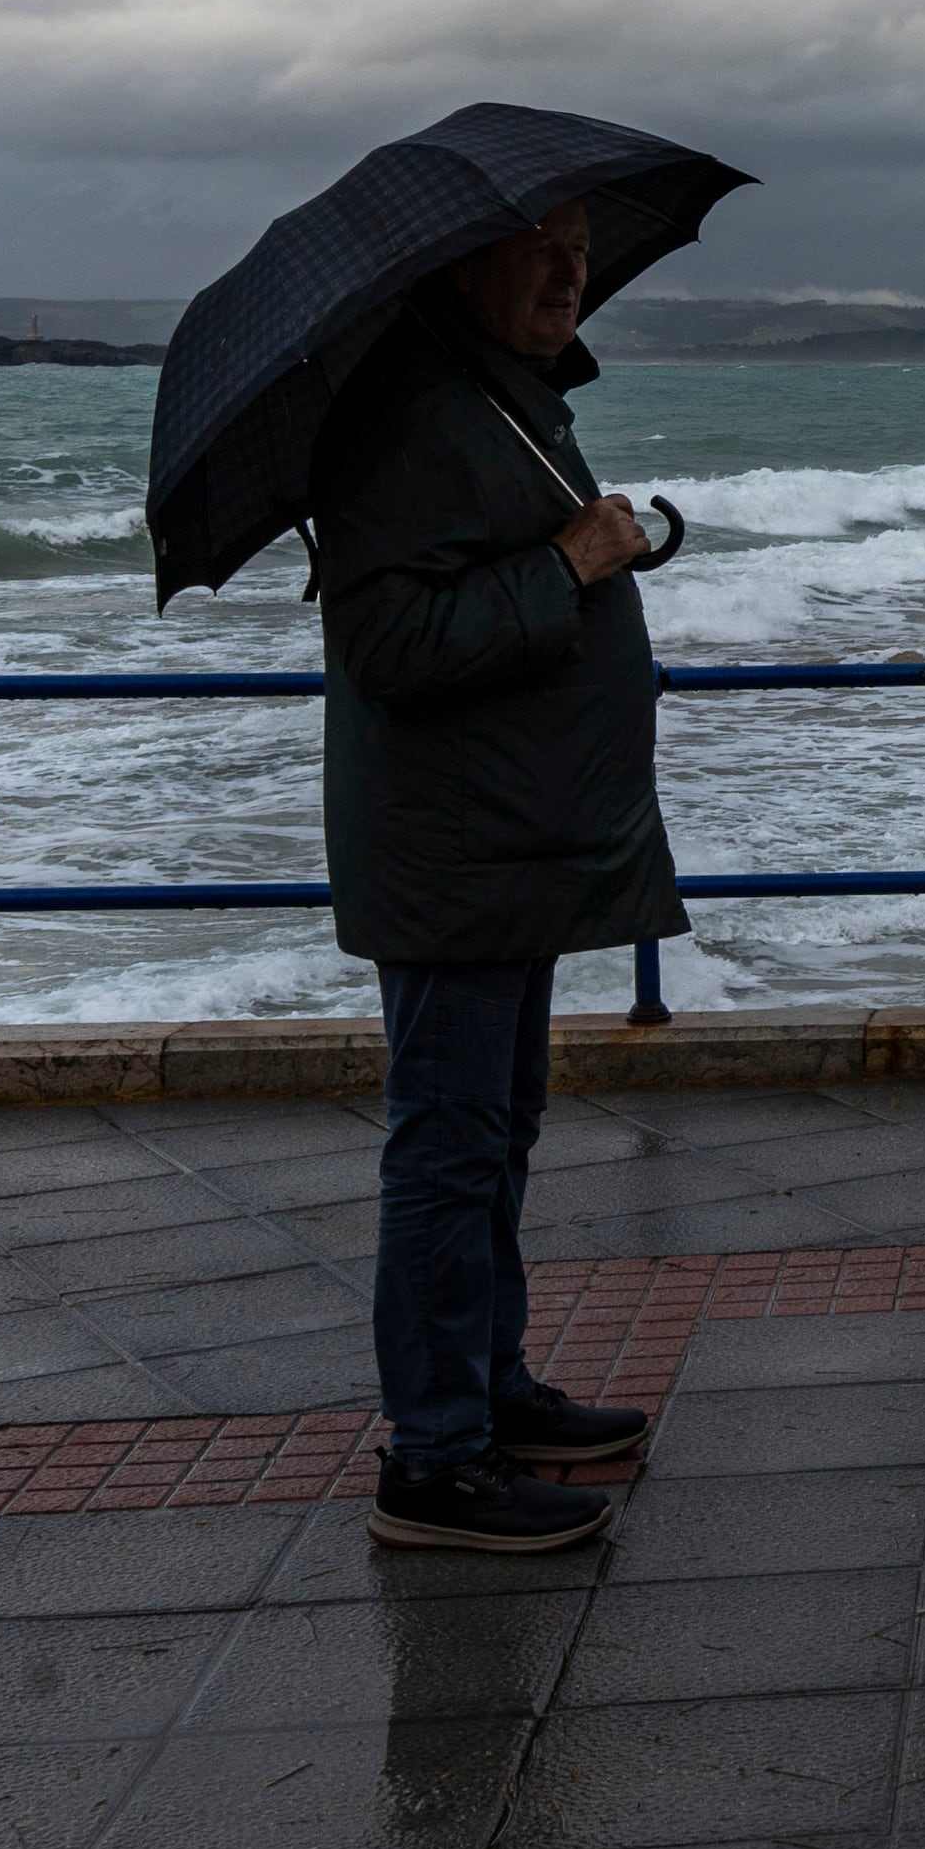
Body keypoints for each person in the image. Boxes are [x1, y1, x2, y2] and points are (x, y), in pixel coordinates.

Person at [313, 198, 677, 1551]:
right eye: (541, 244)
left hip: (505, 836)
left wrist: (582, 556)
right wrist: (569, 562)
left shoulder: (497, 394)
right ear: (459, 260)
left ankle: (487, 1389)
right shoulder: (409, 413)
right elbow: (394, 640)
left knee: (495, 1129)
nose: (570, 266)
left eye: (582, 244)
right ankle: (436, 1457)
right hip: (453, 845)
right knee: (450, 1145)